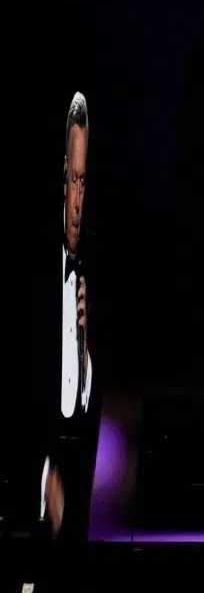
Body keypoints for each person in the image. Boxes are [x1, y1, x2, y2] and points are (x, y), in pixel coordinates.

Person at [38, 92, 98, 539]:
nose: (78, 200)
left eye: (85, 182)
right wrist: (43, 477)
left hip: (86, 477)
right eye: (73, 181)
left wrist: (85, 348)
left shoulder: (91, 275)